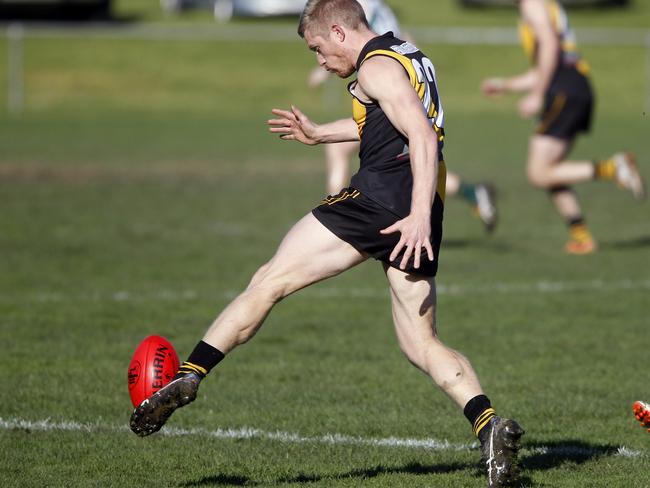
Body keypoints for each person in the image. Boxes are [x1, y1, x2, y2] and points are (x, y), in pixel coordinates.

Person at [130, 1, 523, 485]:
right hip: (418, 200)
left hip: (383, 200)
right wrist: (321, 135)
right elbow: (390, 123)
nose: (319, 60)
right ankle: (489, 426)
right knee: (420, 342)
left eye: (317, 48)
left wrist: (416, 216)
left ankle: (190, 373)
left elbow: (421, 136)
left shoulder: (376, 68)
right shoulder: (405, 54)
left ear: (339, 32)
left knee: (269, 280)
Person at [309, 0, 499, 232]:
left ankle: (337, 218)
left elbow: (348, 34)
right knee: (415, 160)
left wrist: (321, 72)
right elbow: (400, 35)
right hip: (401, 74)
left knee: (407, 153)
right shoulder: (375, 8)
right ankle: (471, 193)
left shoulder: (355, 7)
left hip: (390, 78)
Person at [481, 0, 645, 254]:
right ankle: (581, 236)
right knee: (551, 171)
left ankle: (614, 167)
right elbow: (547, 65)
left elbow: (549, 47)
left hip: (564, 89)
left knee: (538, 172)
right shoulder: (544, 5)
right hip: (573, 86)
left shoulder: (532, 4)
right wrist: (505, 85)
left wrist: (536, 95)